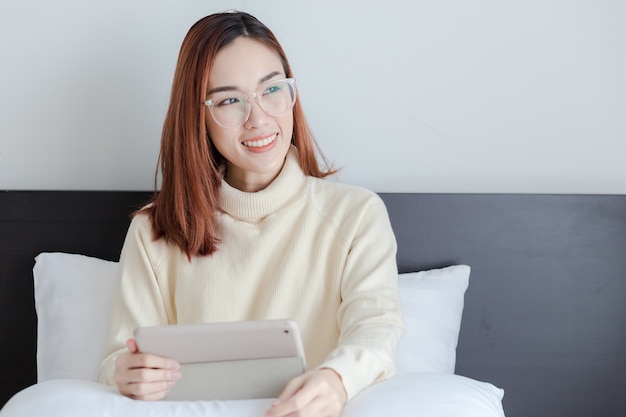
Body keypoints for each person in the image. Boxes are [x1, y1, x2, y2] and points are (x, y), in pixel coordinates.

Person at [98, 10, 404, 417]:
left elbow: (376, 328)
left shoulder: (355, 216)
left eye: (272, 89)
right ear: (198, 116)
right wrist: (124, 373)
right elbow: (119, 359)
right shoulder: (153, 231)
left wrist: (335, 380)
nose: (258, 118)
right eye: (229, 100)